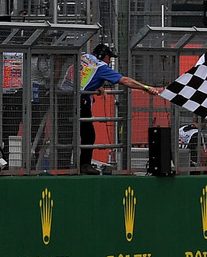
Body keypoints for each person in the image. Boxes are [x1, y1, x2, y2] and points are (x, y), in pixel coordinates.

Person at [62, 43, 161, 175]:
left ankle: (62, 165)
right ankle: (84, 165)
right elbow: (125, 81)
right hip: (79, 101)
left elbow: (82, 78)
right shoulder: (101, 67)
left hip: (63, 97)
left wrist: (96, 86)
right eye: (109, 58)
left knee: (65, 134)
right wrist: (146, 88)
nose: (109, 61)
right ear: (103, 56)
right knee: (88, 134)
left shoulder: (85, 58)